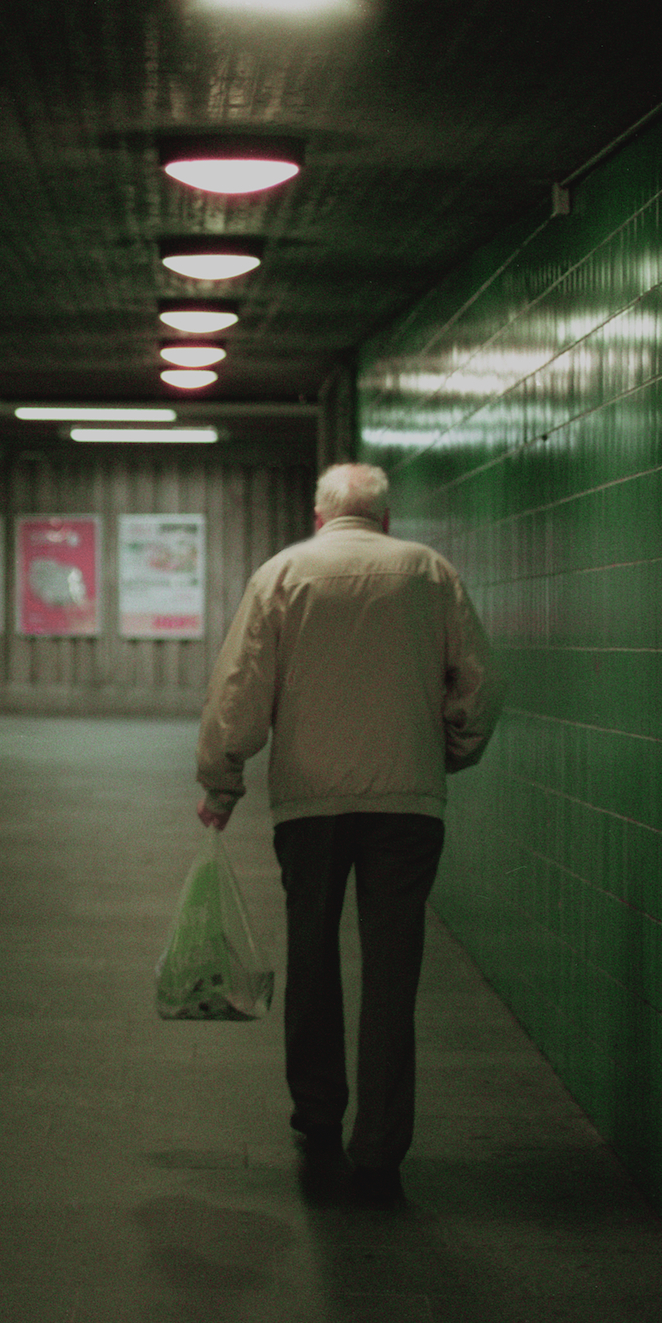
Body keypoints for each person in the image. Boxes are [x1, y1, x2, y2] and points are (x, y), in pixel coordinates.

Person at [195, 462, 502, 1203]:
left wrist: (222, 776)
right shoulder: (432, 574)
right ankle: (382, 1147)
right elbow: (479, 686)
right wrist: (445, 754)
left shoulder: (283, 574)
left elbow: (241, 685)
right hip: (408, 806)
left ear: (318, 516)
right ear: (386, 518)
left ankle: (319, 1112)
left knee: (313, 953)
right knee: (394, 974)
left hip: (310, 806)